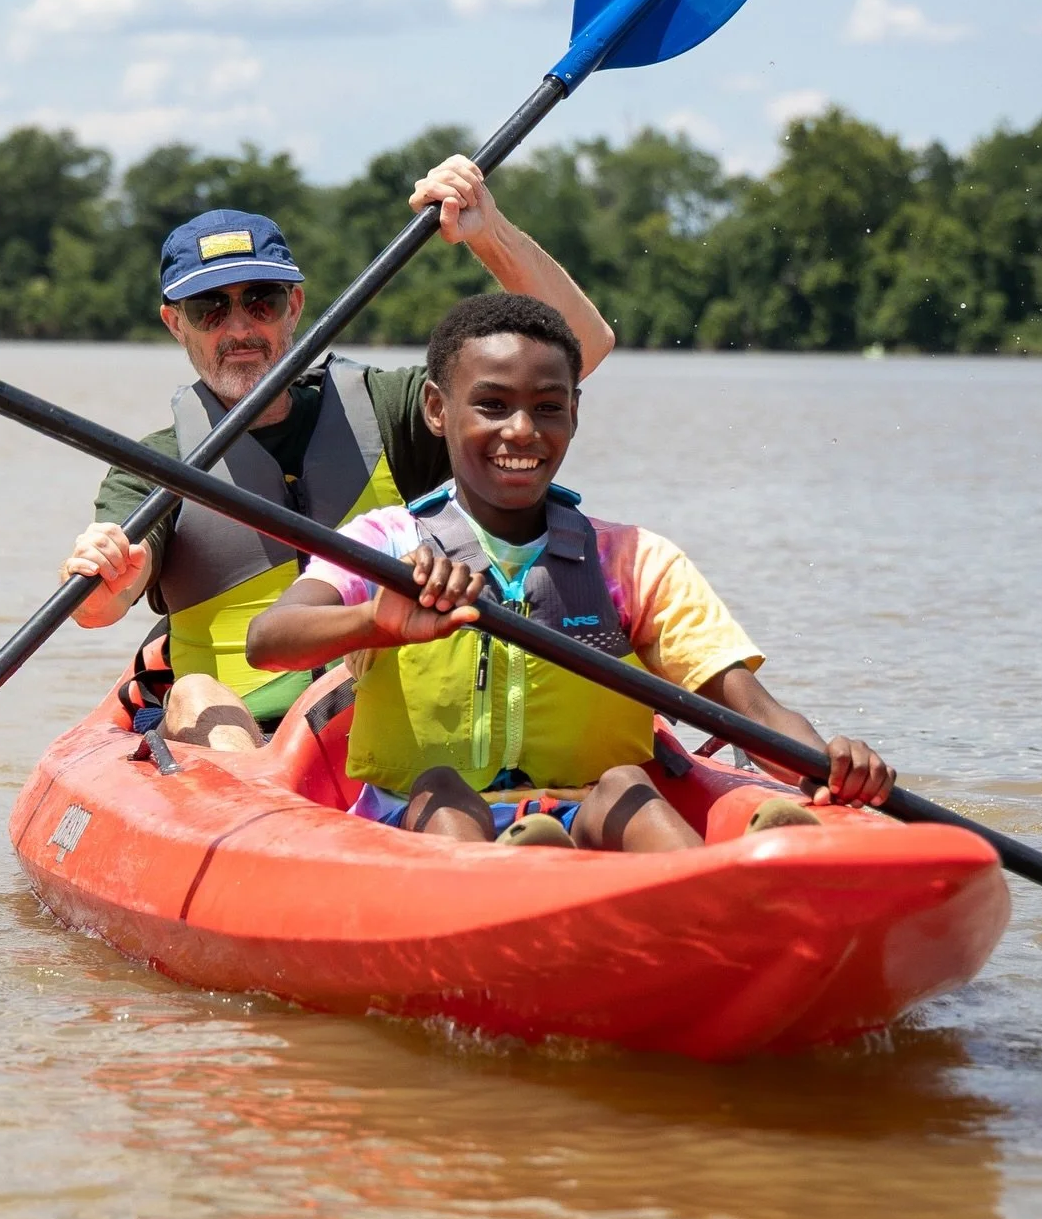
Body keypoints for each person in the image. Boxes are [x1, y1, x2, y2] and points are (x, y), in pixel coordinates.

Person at [245, 292, 895, 851]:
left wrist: (828, 765)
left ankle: (729, 885)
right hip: (419, 827)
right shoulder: (383, 543)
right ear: (438, 411)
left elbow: (751, 710)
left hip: (591, 816)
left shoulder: (634, 560)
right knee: (441, 791)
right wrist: (373, 622)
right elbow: (268, 641)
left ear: (575, 411)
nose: (522, 431)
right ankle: (500, 884)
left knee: (627, 786)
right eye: (493, 405)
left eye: (548, 407)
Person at [60, 157, 616, 753]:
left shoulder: (392, 411)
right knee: (195, 691)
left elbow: (582, 347)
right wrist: (105, 571)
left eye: (261, 301)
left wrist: (488, 231)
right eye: (210, 310)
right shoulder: (154, 465)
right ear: (177, 323)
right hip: (239, 739)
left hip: (380, 710)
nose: (240, 327)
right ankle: (271, 827)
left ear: (294, 306)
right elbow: (100, 607)